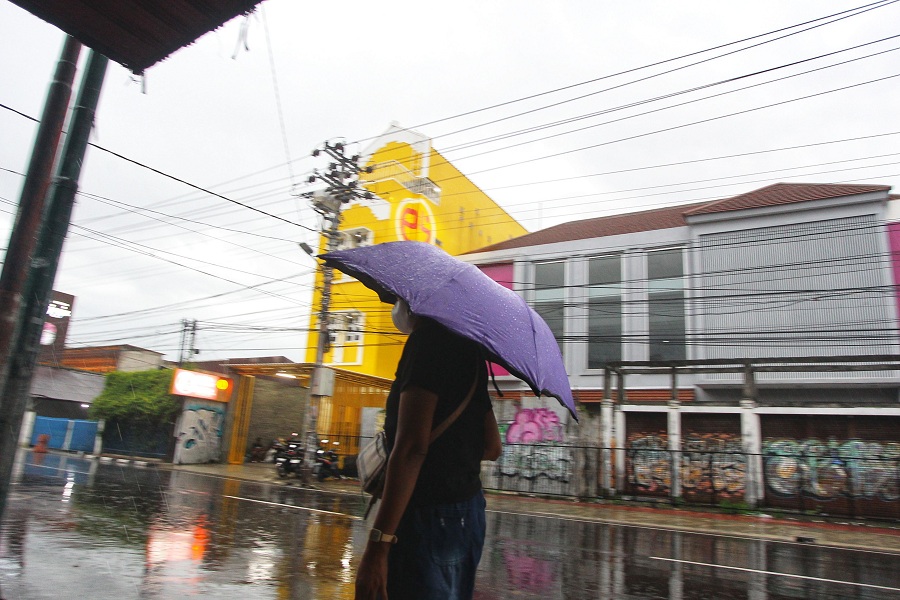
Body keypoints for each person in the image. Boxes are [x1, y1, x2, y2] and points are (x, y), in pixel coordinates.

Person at [355, 298, 502, 600]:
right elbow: (493, 446)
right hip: (469, 512)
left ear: (415, 304)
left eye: (399, 300)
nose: (397, 307)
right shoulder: (472, 352)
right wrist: (452, 451)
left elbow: (411, 449)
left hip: (426, 514)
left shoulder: (426, 342)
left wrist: (377, 546)